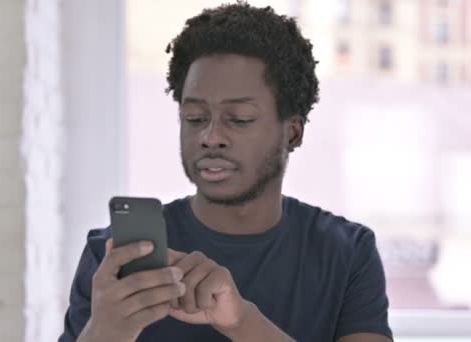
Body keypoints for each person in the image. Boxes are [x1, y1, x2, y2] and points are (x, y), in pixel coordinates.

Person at [59, 2, 393, 341]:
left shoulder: (347, 253)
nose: (211, 137)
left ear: (292, 131)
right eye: (195, 119)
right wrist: (105, 332)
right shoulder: (111, 258)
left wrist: (241, 321)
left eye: (240, 119)